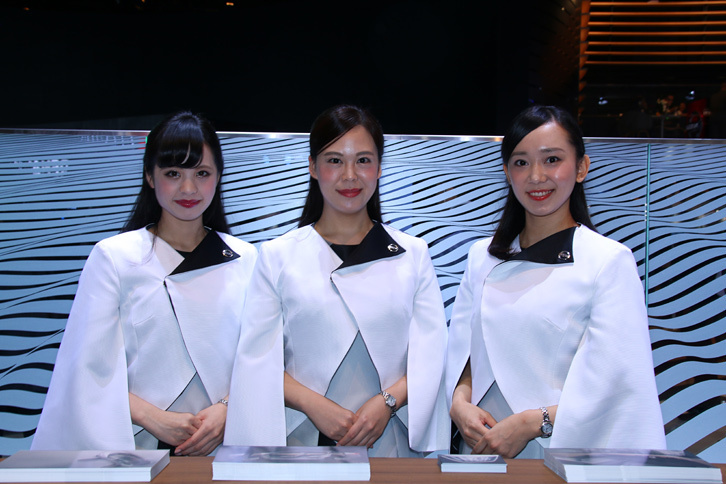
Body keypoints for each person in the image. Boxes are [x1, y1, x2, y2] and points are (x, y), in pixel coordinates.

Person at [224, 105, 449, 457]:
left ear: (379, 168)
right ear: (313, 167)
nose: (350, 175)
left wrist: (387, 402)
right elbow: (256, 359)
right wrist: (315, 405)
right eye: (334, 161)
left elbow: (433, 354)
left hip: (392, 441)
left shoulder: (413, 254)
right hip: (303, 439)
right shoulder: (277, 255)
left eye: (363, 161)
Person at [445, 105, 666, 458]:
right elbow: (465, 353)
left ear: (581, 167)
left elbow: (618, 386)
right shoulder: (481, 257)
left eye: (552, 160)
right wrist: (459, 403)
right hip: (480, 447)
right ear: (507, 172)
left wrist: (532, 423)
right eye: (521, 162)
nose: (536, 176)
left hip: (555, 452)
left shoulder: (607, 261)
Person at [31, 111, 257, 456]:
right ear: (150, 176)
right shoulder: (114, 257)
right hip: (137, 447)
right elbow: (86, 371)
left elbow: (263, 358)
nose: (188, 188)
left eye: (202, 173)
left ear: (218, 177)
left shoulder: (247, 259)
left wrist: (228, 408)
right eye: (173, 173)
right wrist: (155, 418)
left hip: (228, 447)